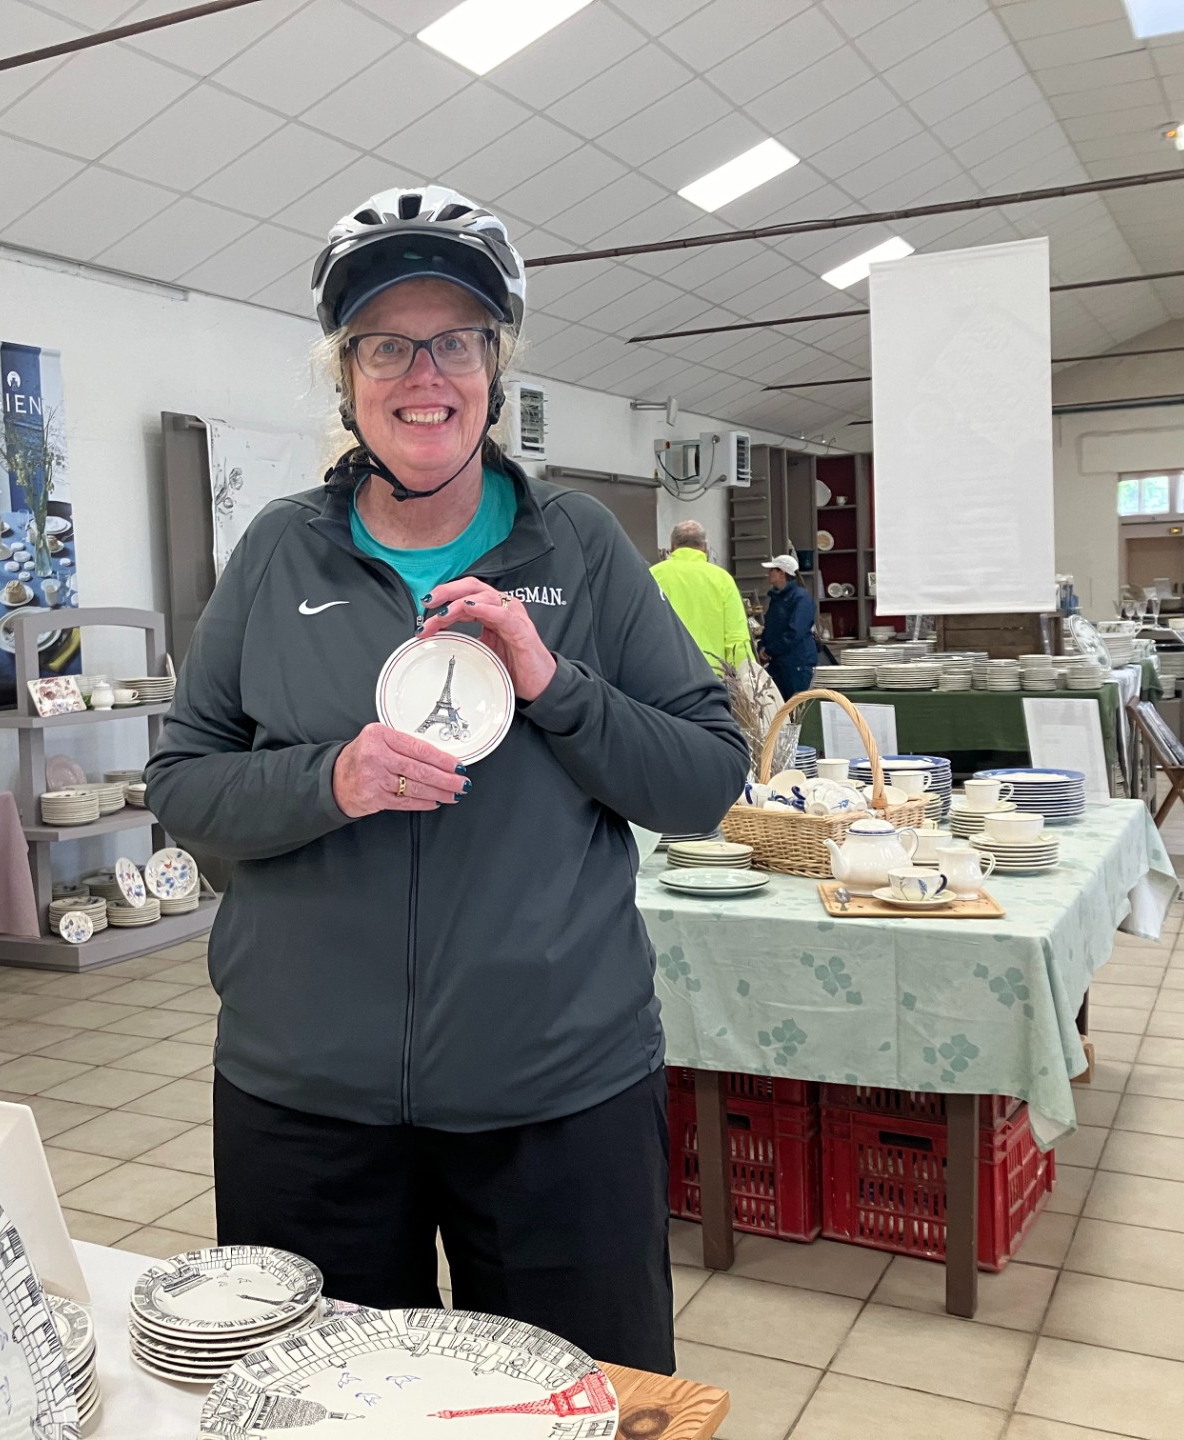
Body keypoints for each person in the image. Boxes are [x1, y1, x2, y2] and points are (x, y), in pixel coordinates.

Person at [144, 186, 750, 1374]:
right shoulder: (277, 553)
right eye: (386, 343)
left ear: (496, 367)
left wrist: (553, 682)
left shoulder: (580, 549)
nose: (425, 371)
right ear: (347, 375)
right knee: (320, 1404)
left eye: (457, 340)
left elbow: (704, 782)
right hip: (304, 1099)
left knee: (571, 1407)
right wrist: (335, 780)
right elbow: (182, 784)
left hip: (556, 1097)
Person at [650, 520, 752, 669]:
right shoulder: (722, 579)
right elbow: (736, 639)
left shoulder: (653, 575)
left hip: (665, 674)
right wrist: (746, 679)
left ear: (672, 547)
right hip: (712, 677)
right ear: (705, 547)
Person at [759, 553, 818, 699]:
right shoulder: (778, 598)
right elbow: (771, 627)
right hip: (780, 662)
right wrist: (763, 646)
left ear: (782, 573)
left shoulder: (800, 598)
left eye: (772, 570)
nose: (768, 573)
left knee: (795, 708)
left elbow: (795, 632)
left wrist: (769, 650)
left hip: (796, 663)